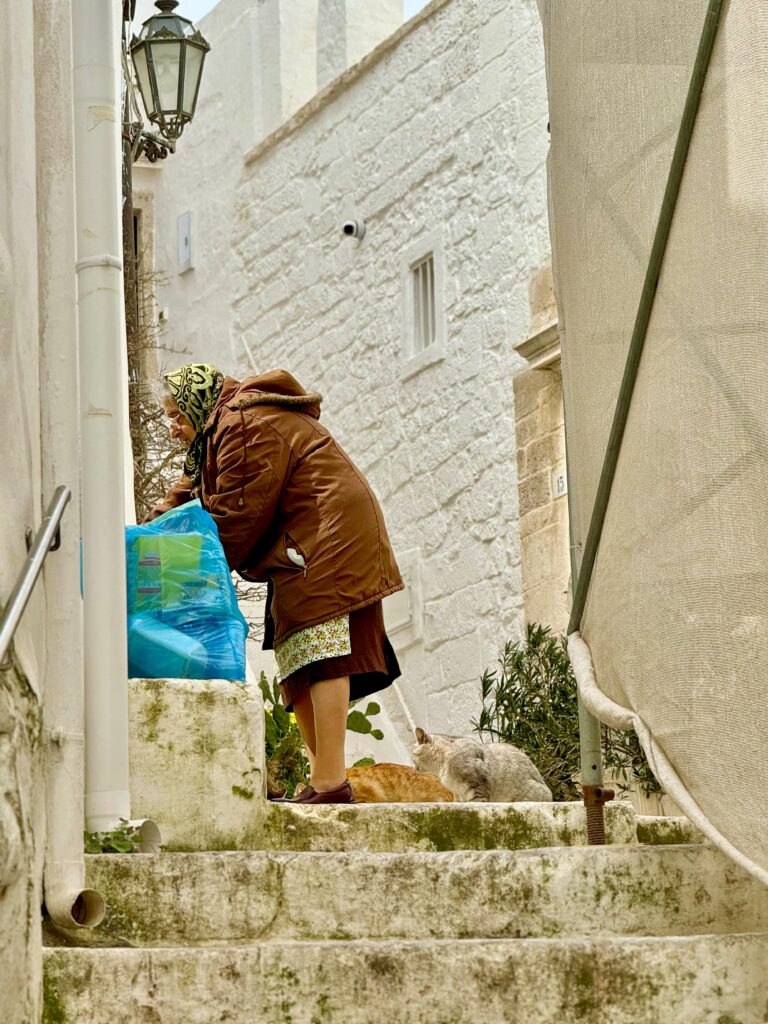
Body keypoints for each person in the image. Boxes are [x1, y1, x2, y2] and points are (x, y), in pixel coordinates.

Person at [148, 363, 403, 804]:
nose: (172, 429)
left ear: (197, 403)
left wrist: (182, 576)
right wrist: (145, 537)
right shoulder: (221, 432)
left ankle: (329, 783)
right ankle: (327, 778)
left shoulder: (242, 424)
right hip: (307, 536)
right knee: (296, 655)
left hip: (327, 531)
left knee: (321, 650)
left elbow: (237, 516)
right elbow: (190, 492)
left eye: (176, 415)